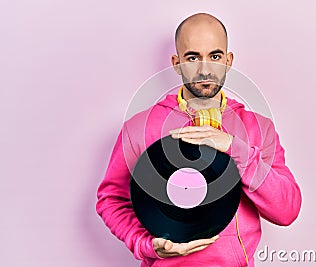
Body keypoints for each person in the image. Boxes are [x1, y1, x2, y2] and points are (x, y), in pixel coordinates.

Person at [96, 13, 302, 267]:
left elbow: (287, 210)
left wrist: (234, 148)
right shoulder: (140, 127)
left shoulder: (259, 127)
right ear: (176, 63)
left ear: (228, 61)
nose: (205, 69)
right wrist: (146, 245)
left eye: (215, 57)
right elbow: (111, 199)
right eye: (193, 57)